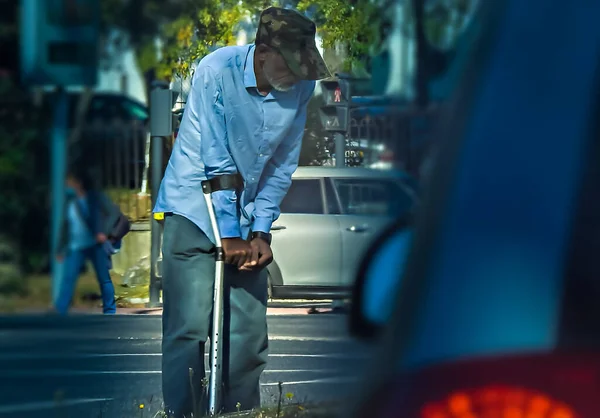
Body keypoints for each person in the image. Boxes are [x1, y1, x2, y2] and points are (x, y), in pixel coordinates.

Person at [153, 6, 330, 417]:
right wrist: (229, 233)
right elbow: (216, 158)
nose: (295, 77)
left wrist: (261, 232)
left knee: (247, 335)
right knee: (189, 330)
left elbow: (282, 164)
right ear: (263, 51)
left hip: (246, 217)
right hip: (194, 210)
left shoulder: (300, 89)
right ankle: (184, 414)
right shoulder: (216, 70)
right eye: (289, 66)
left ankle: (240, 414)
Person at [55, 167, 122, 315]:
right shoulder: (70, 202)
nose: (67, 185)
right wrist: (60, 248)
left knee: (103, 278)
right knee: (69, 278)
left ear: (78, 183)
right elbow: (65, 226)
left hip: (95, 245)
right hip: (75, 246)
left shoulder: (95, 197)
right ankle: (60, 309)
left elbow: (114, 213)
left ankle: (110, 310)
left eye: (69, 182)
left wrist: (104, 232)